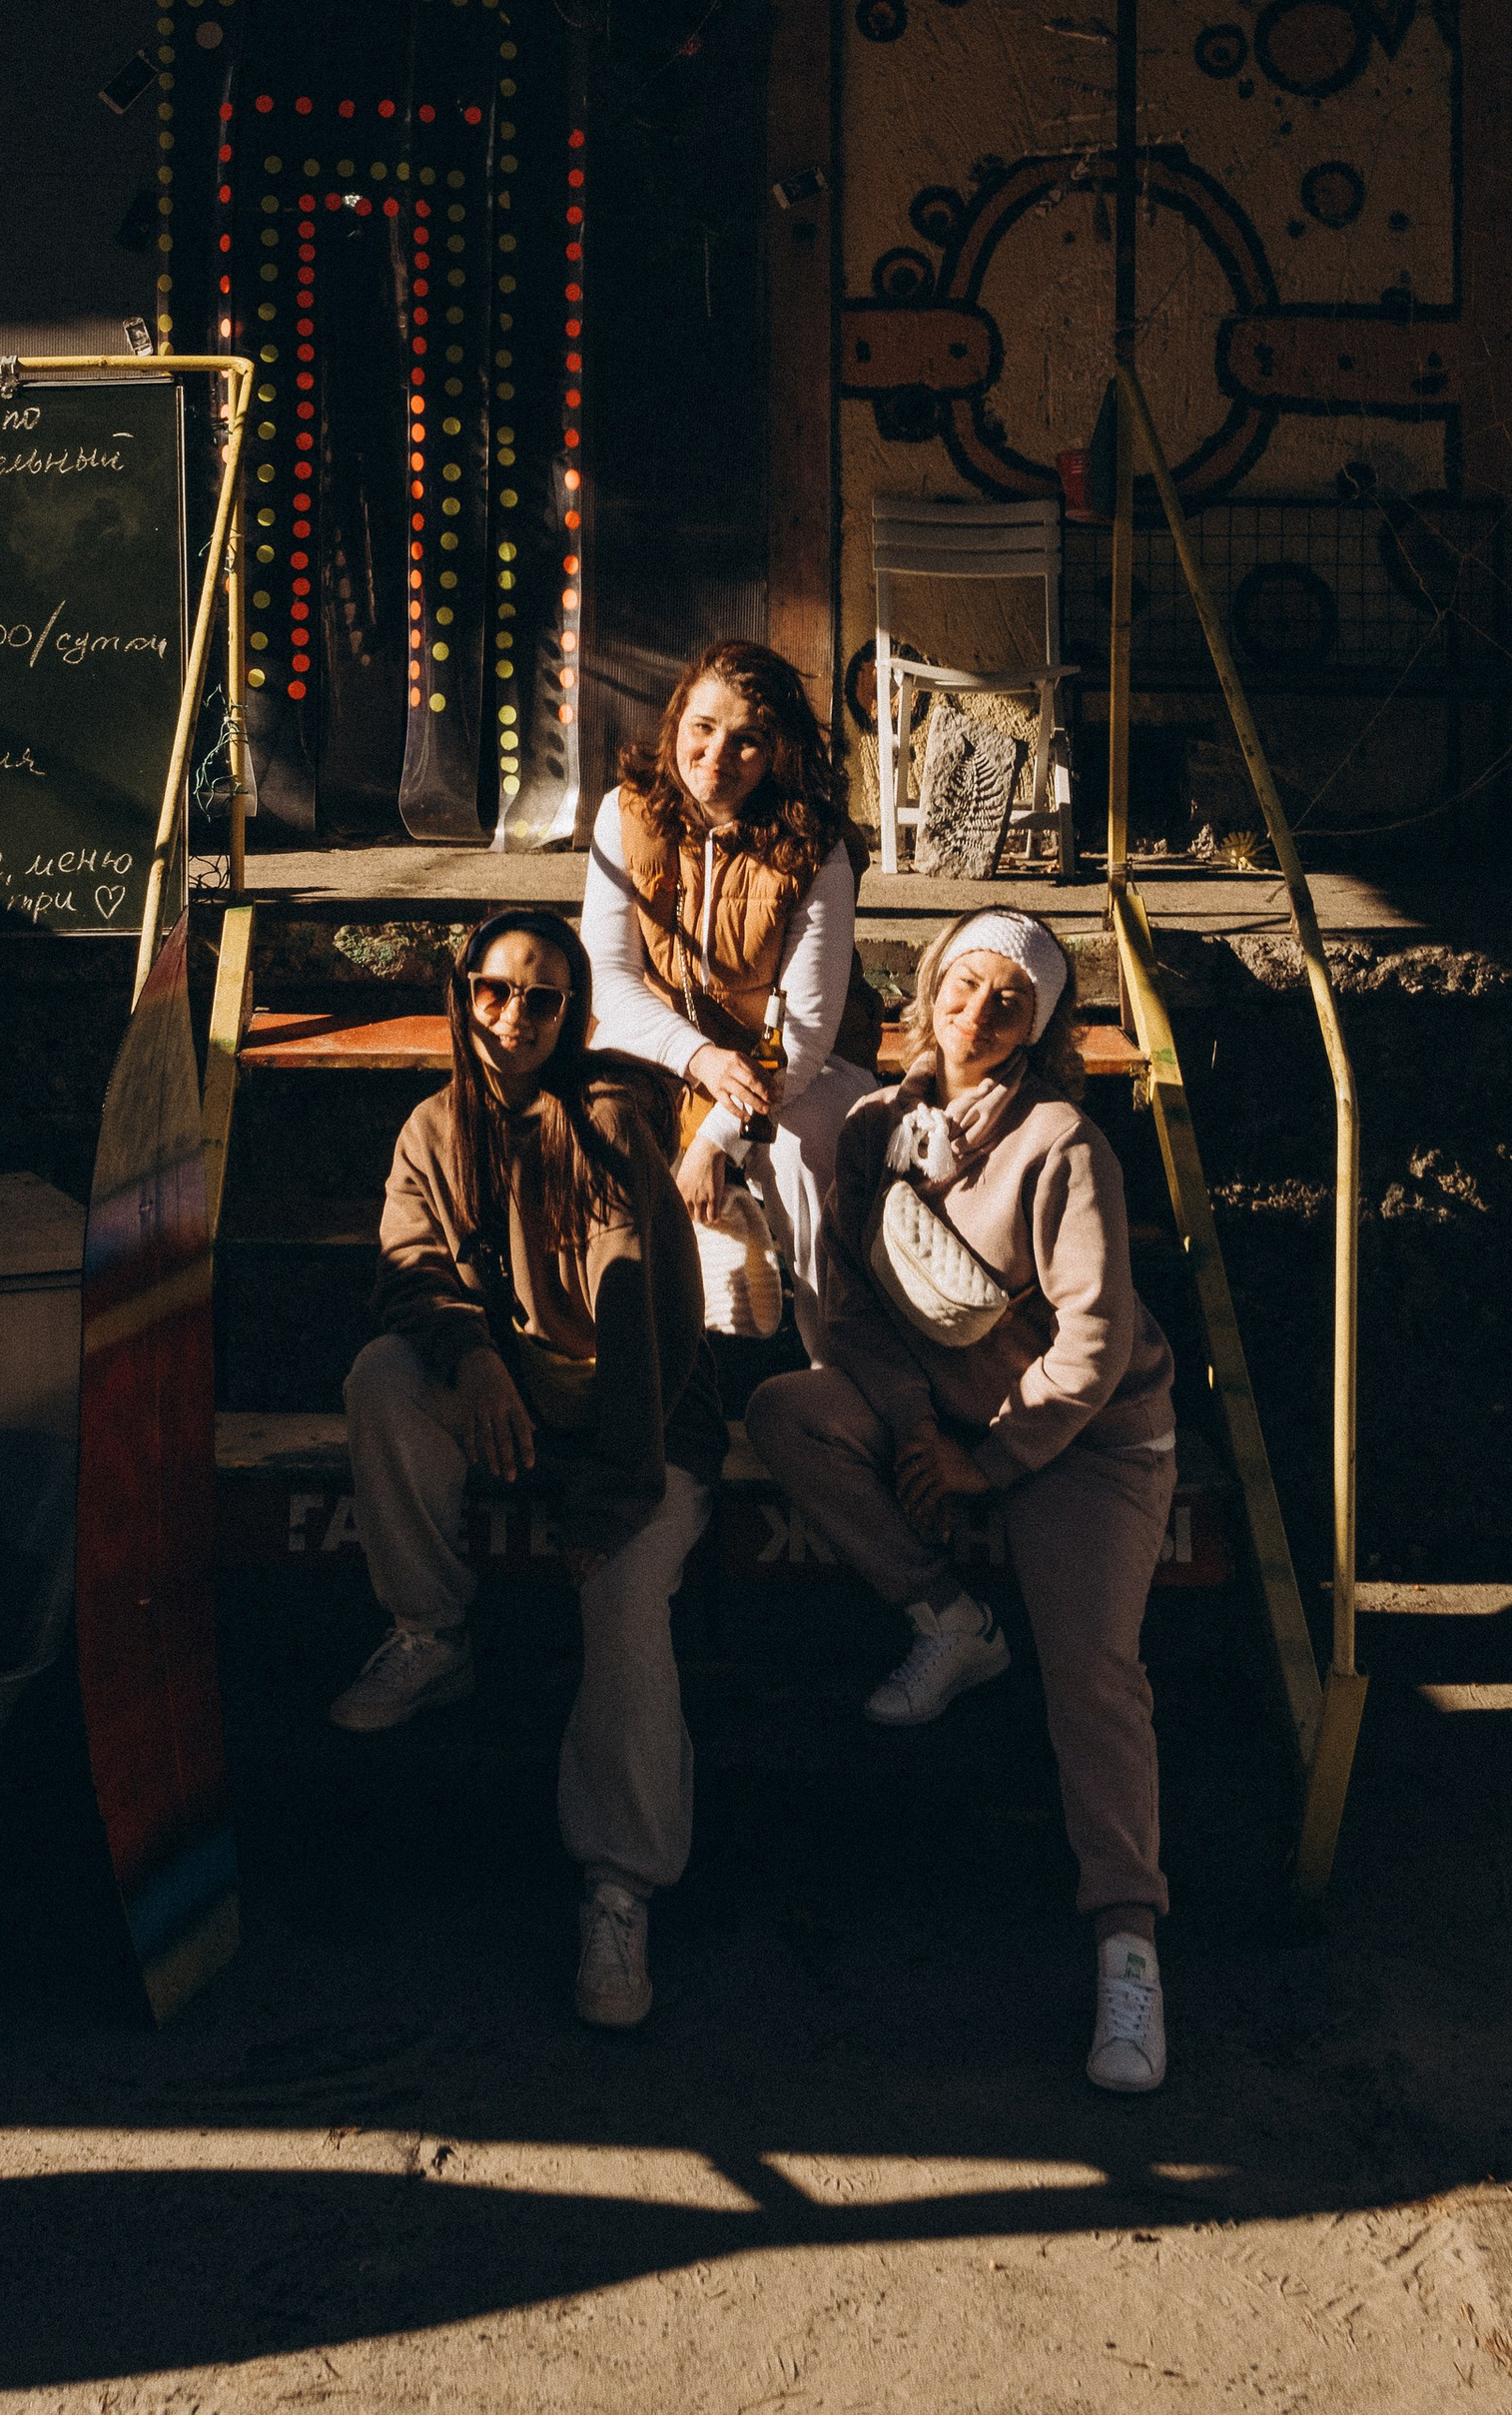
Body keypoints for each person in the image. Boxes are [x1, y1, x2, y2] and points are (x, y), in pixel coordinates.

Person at [745, 910, 1179, 2095]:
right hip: (948, 1413)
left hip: (1084, 1443)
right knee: (788, 1411)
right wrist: (916, 1425)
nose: (978, 1012)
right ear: (928, 987)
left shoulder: (1061, 1143)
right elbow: (851, 1312)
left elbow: (1092, 1345)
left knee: (1094, 1675)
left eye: (1010, 1001)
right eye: (964, 984)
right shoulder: (877, 1127)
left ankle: (1125, 1947)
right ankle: (950, 1620)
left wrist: (990, 1460)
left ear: (1039, 1029)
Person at [330, 906, 725, 2031]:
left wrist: (610, 1500)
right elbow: (408, 1267)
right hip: (510, 1407)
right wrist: (471, 1363)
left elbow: (640, 1325)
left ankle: (620, 1880)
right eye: (492, 991)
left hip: (638, 1430)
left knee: (622, 1597)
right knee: (382, 1378)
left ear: (572, 1012)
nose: (512, 1017)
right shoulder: (432, 1127)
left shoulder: (603, 1124)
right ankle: (428, 1630)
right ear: (463, 997)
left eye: (540, 997)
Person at [580, 638, 881, 1349]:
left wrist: (718, 1137)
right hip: (665, 1052)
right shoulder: (626, 816)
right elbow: (610, 978)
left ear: (780, 752)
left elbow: (804, 1030)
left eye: (748, 741)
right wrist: (701, 1060)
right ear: (677, 720)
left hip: (790, 1066)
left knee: (809, 1148)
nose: (717, 754)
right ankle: (624, 1364)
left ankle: (835, 1370)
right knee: (594, 1126)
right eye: (703, 728)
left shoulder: (817, 846)